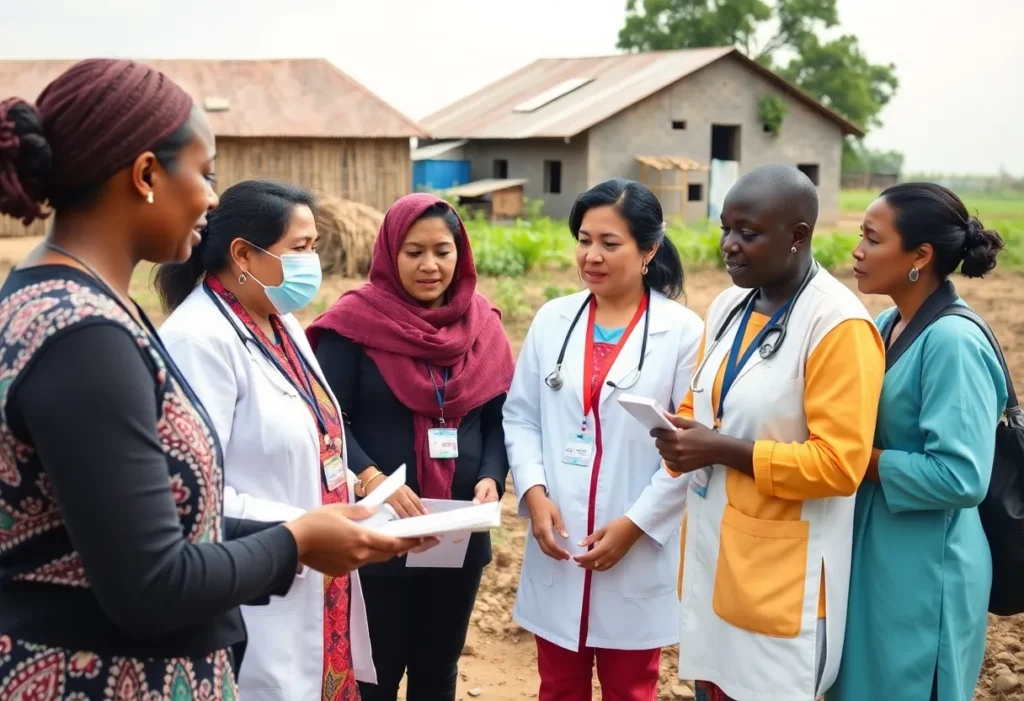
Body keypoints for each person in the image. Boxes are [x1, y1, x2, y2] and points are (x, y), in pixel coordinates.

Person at [0, 59, 428, 701]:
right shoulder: (86, 335)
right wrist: (296, 540)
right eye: (204, 174)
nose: (209, 199)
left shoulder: (61, 301)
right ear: (146, 174)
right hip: (103, 676)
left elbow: (149, 523)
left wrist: (316, 529)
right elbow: (151, 583)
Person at [651, 164, 886, 701]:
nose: (729, 245)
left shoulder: (838, 326)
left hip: (784, 580)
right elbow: (702, 401)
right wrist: (677, 436)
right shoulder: (728, 306)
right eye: (725, 229)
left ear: (797, 235)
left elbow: (839, 466)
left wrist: (722, 449)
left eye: (748, 232)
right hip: (716, 559)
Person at [154, 179, 381, 701]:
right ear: (243, 255)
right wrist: (303, 529)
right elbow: (193, 494)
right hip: (257, 587)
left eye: (314, 246)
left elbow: (311, 437)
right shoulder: (196, 341)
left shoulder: (283, 323)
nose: (312, 261)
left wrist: (359, 493)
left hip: (320, 578)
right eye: (299, 248)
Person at [306, 192, 515, 701]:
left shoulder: (483, 325)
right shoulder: (352, 326)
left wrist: (491, 476)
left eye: (442, 251)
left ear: (460, 254)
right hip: (379, 526)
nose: (430, 266)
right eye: (414, 252)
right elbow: (328, 420)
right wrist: (372, 479)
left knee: (437, 669)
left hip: (458, 526)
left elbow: (499, 418)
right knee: (376, 674)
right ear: (390, 252)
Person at [503, 179, 703, 701]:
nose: (591, 256)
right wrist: (534, 493)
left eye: (610, 243)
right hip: (560, 537)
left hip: (634, 541)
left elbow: (691, 448)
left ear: (649, 250)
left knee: (630, 689)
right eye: (584, 240)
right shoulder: (553, 320)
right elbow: (521, 416)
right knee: (557, 687)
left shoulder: (683, 332)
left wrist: (637, 525)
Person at [832, 183, 1008, 701]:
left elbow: (960, 477)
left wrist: (856, 461)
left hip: (927, 570)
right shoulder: (887, 323)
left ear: (920, 256)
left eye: (872, 239)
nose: (857, 251)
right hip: (880, 552)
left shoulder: (953, 342)